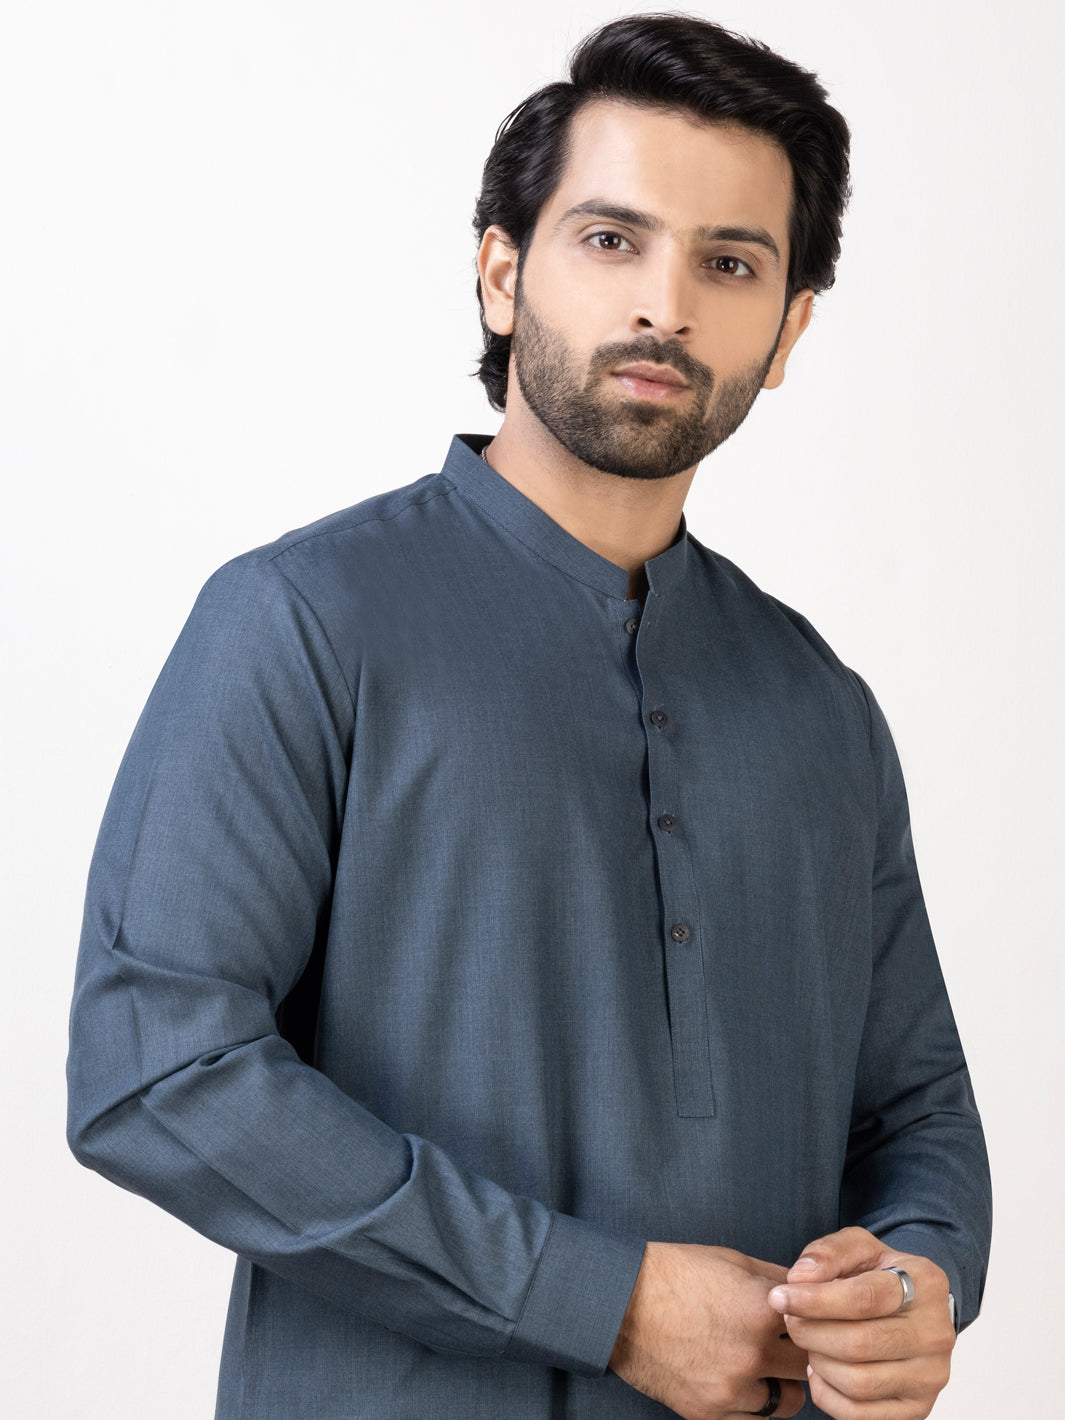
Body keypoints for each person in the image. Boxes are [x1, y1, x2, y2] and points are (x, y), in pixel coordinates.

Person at [67, 14, 991, 1420]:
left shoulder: (822, 707)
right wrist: (603, 1303)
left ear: (788, 330)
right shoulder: (301, 621)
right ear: (503, 274)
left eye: (730, 263)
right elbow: (156, 1069)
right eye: (611, 239)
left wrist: (915, 1282)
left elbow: (916, 1115)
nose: (665, 306)